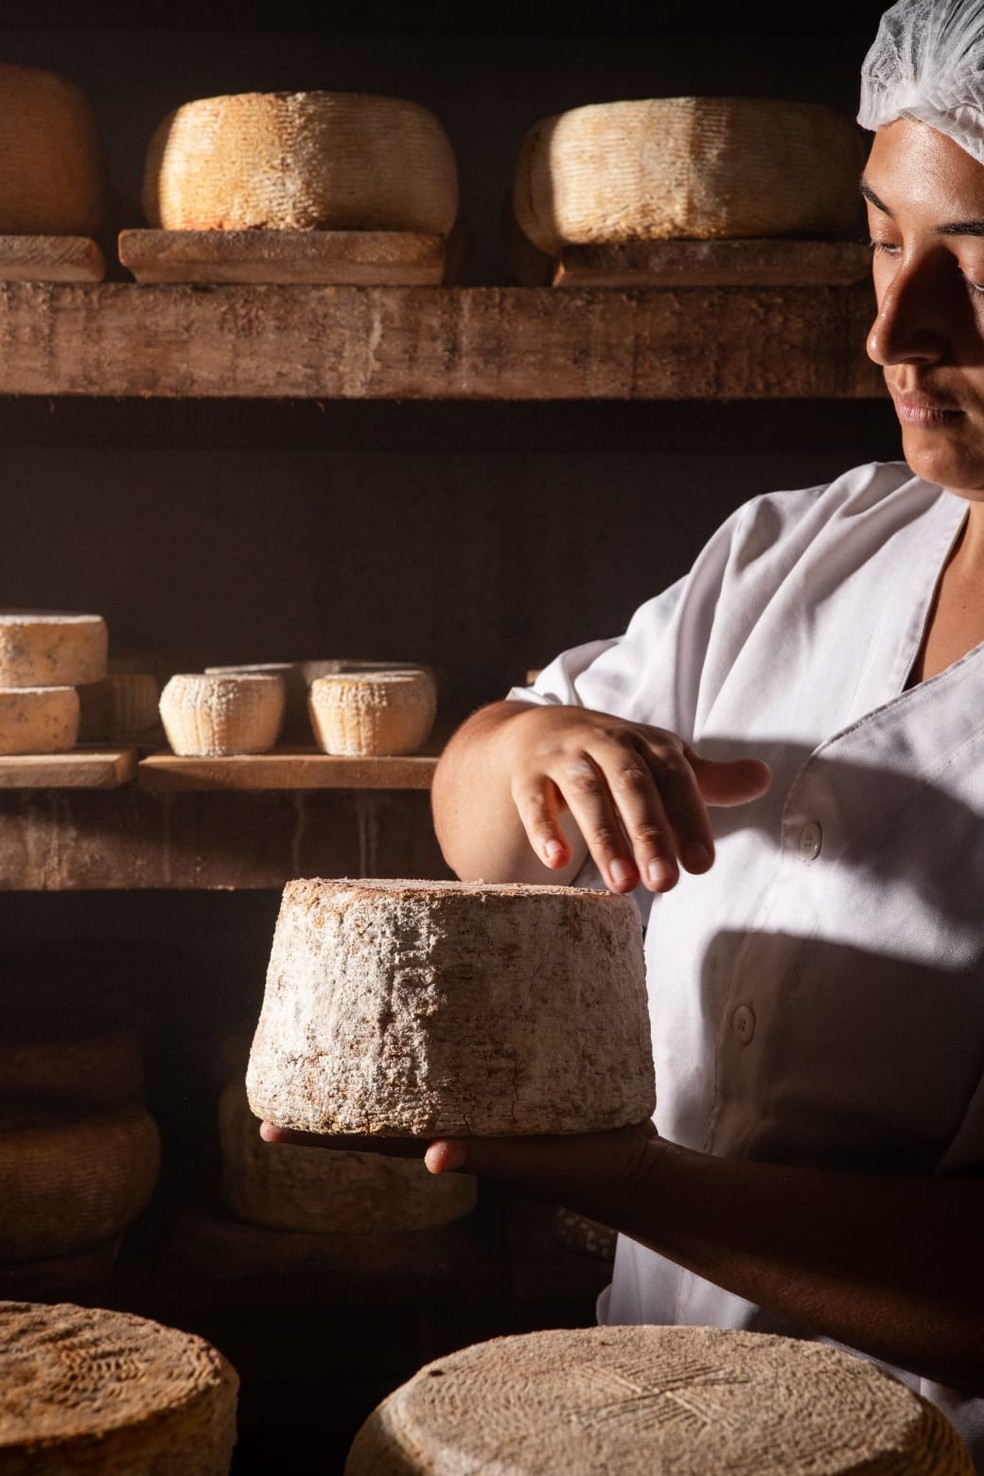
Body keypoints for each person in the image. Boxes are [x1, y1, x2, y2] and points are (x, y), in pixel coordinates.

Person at [263, 0, 984, 1464]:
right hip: (649, 1415)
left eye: (978, 256)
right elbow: (476, 821)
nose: (895, 327)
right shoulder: (803, 549)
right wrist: (524, 756)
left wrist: (608, 1175)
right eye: (885, 237)